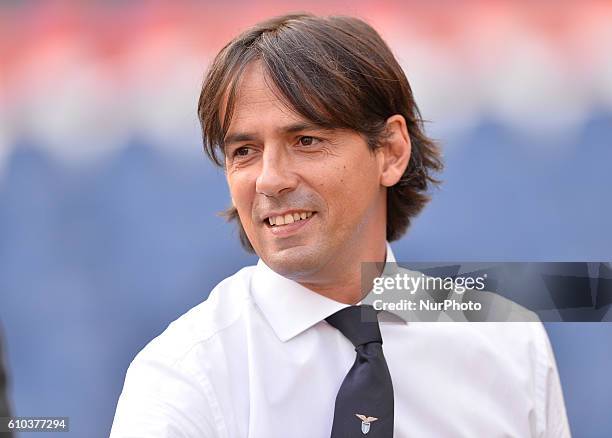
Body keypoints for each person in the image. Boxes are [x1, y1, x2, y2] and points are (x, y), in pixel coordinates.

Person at [110, 13, 571, 437]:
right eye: (244, 152)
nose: (270, 179)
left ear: (390, 151)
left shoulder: (508, 340)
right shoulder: (182, 377)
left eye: (306, 140)